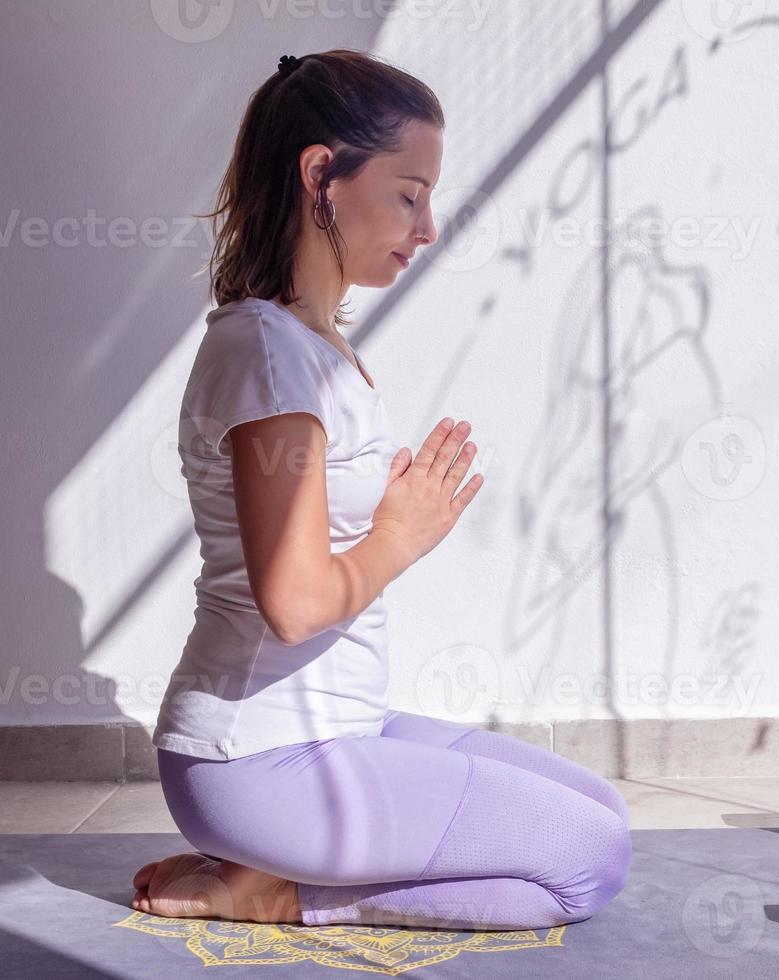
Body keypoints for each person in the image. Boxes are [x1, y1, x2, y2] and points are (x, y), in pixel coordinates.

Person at [133, 48, 632, 931]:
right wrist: (399, 536)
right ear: (322, 175)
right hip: (259, 759)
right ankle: (279, 890)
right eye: (409, 193)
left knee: (601, 811)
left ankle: (268, 869)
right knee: (586, 864)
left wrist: (399, 525)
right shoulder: (266, 354)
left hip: (330, 732)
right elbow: (292, 606)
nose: (428, 225)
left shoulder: (312, 347)